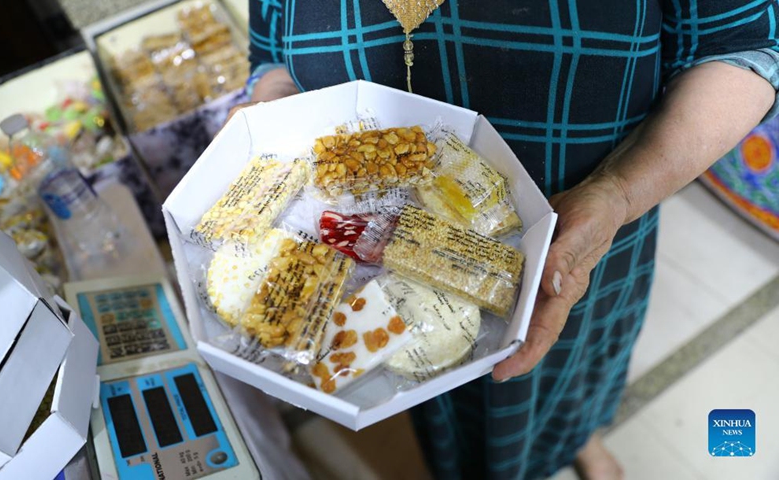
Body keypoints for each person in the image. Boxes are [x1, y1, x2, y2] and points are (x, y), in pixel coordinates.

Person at [231, 2, 779, 479]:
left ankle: (580, 437)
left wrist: (618, 192)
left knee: (569, 366)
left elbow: (742, 49)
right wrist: (268, 121)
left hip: (588, 229)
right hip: (369, 255)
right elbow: (271, 55)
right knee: (435, 374)